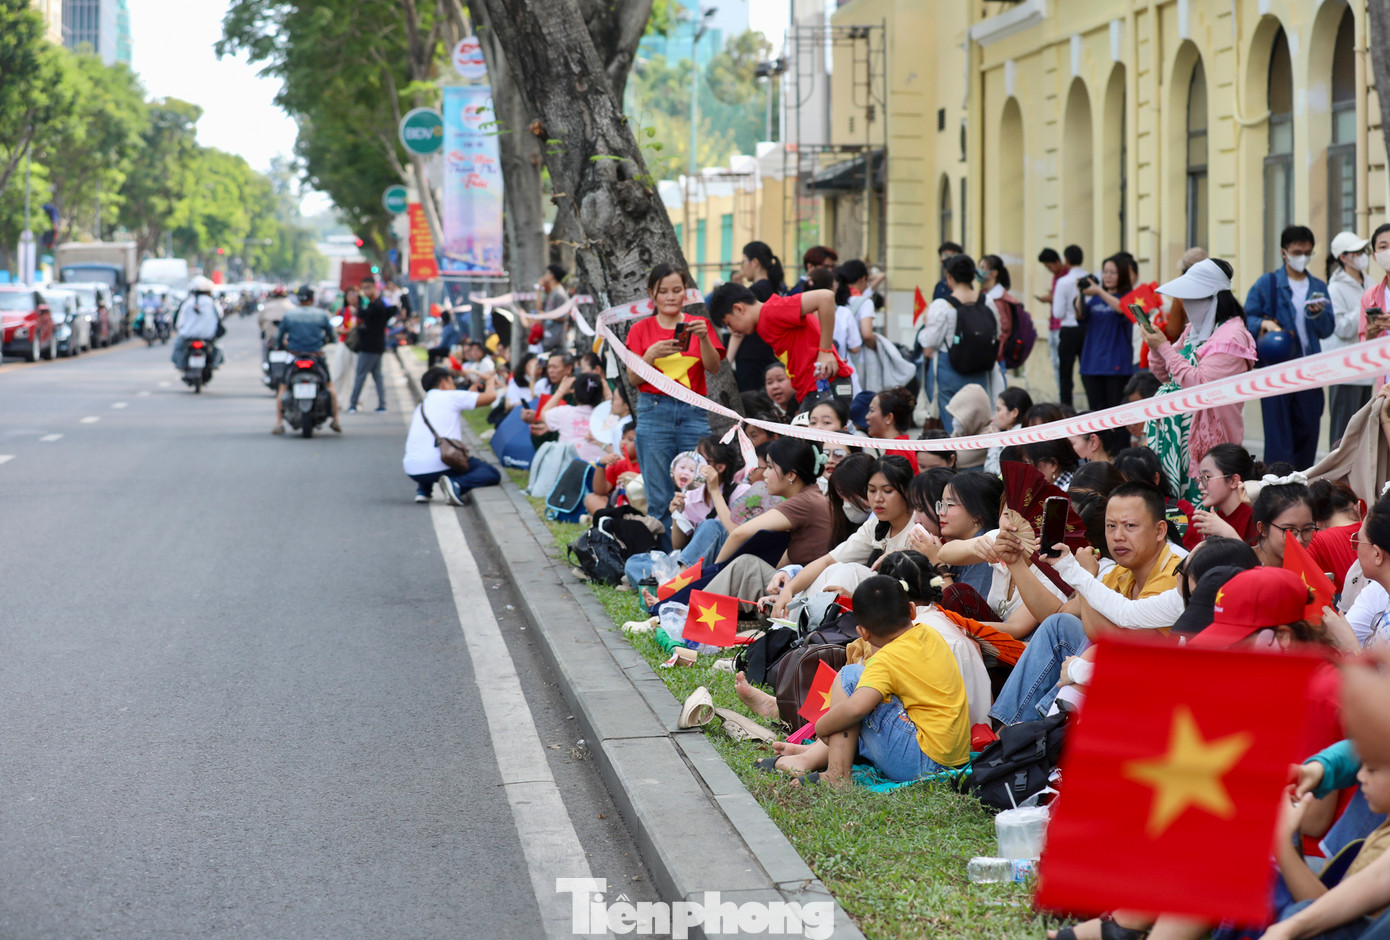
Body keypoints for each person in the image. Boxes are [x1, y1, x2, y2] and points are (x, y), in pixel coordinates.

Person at [989, 482, 1182, 725]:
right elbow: (1057, 613)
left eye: (1130, 526)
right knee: (1059, 625)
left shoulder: (1173, 574)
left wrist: (1084, 579)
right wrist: (1016, 563)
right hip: (1112, 671)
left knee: (1091, 642)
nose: (1118, 536)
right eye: (1111, 526)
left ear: (1159, 530)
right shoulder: (1121, 572)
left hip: (1155, 688)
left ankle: (1038, 736)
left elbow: (1119, 644)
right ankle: (1005, 729)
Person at [760, 574, 969, 786]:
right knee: (866, 693)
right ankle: (810, 757)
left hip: (921, 762)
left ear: (862, 632)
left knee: (850, 678)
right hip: (952, 759)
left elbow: (855, 710)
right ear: (913, 611)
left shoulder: (885, 660)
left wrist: (822, 727)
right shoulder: (929, 634)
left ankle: (836, 775)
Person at [1141, 258, 1257, 498]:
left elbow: (1200, 386)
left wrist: (1163, 347)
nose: (1186, 305)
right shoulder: (1194, 330)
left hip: (1208, 450)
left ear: (1211, 299)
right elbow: (1166, 375)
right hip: (1176, 446)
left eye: (1191, 299)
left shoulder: (1231, 337)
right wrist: (1155, 346)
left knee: (1201, 509)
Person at [624, 264, 724, 540]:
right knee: (658, 493)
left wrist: (704, 338)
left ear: (686, 292)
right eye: (663, 291)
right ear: (651, 295)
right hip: (653, 410)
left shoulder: (697, 325)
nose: (670, 296)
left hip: (693, 412)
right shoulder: (640, 329)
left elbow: (713, 367)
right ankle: (662, 560)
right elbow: (633, 378)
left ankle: (690, 559)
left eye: (677, 290)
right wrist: (651, 354)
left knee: (696, 486)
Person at [1245, 225, 1334, 469]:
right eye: (1297, 252)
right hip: (1277, 370)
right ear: (1284, 252)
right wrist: (1263, 323)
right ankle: (1279, 490)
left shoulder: (1318, 286)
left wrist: (1318, 314)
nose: (1302, 257)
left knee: (1309, 429)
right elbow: (1247, 317)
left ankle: (1304, 482)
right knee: (1278, 437)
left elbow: (1328, 329)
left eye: (1308, 252)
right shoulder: (1268, 283)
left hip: (1309, 369)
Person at [707, 280, 852, 404]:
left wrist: (826, 351)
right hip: (814, 387)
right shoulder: (765, 321)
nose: (732, 331)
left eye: (729, 324)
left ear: (738, 309)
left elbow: (825, 297)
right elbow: (812, 315)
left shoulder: (771, 312)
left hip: (825, 386)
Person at [915, 253, 1002, 432]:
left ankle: (956, 454)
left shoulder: (942, 305)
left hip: (949, 369)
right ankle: (977, 455)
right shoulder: (987, 301)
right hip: (980, 369)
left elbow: (930, 340)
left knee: (952, 421)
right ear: (973, 275)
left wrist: (925, 324)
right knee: (978, 416)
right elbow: (997, 332)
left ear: (949, 276)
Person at [403, 367, 503, 504]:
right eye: (452, 383)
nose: (454, 387)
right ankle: (457, 484)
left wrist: (469, 395)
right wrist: (490, 381)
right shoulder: (451, 396)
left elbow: (450, 416)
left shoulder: (422, 406)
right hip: (442, 465)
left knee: (428, 447)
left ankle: (423, 491)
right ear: (444, 383)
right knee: (491, 473)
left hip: (413, 470)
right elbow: (490, 397)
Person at [1323, 231, 1376, 449]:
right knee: (1342, 435)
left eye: (1362, 251)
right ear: (1343, 257)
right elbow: (1341, 327)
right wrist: (1364, 309)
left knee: (1363, 433)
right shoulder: (1335, 287)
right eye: (1355, 252)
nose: (1361, 255)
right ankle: (1334, 481)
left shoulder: (1370, 282)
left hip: (1367, 369)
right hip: (1344, 371)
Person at [271, 285, 341, 435]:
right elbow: (332, 336)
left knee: (282, 388)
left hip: (294, 355)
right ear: (312, 298)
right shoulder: (321, 315)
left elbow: (280, 337)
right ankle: (336, 419)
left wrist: (279, 345)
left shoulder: (290, 315)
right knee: (329, 386)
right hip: (316, 356)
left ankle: (278, 423)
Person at [1076, 253, 1136, 411]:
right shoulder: (1095, 299)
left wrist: (1099, 291)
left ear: (1121, 275)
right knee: (1096, 412)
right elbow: (1080, 315)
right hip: (1091, 364)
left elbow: (1122, 308)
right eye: (1105, 272)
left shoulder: (1128, 297)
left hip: (1116, 365)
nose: (1107, 276)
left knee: (1116, 413)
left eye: (1112, 272)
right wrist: (1081, 292)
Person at [728, 241, 785, 392]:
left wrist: (727, 361)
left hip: (750, 359)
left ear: (755, 262)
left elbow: (738, 331)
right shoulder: (777, 289)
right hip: (772, 357)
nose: (742, 268)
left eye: (743, 262)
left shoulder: (752, 292)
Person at [1185, 443, 1258, 548]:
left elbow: (1258, 562)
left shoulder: (1254, 516)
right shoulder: (1218, 515)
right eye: (1199, 479)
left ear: (1233, 481)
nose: (1200, 486)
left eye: (1207, 477)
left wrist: (1226, 531)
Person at [1048, 246, 1089, 408]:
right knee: (1087, 371)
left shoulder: (1063, 282)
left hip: (1068, 329)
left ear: (1066, 260)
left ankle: (1066, 409)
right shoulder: (1089, 278)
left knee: (1065, 373)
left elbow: (1057, 312)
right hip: (1086, 330)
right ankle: (1093, 406)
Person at [539, 372, 606, 462]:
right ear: (601, 394)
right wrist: (608, 394)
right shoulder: (607, 416)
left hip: (570, 467)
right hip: (600, 468)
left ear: (574, 393)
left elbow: (544, 413)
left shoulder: (564, 412)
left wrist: (560, 391)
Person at [348, 275, 390, 414]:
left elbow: (364, 315)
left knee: (360, 376)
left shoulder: (377, 305)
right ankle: (382, 405)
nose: (365, 291)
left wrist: (359, 305)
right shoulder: (375, 303)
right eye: (363, 288)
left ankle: (353, 404)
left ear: (374, 287)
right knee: (377, 376)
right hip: (376, 346)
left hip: (370, 347)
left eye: (368, 288)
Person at [170, 276, 222, 370]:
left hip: (188, 336)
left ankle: (180, 366)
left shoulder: (187, 303)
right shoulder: (212, 303)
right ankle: (215, 364)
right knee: (216, 349)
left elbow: (179, 322)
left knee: (178, 348)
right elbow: (219, 317)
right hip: (208, 336)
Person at [865, 387, 918, 472]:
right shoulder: (897, 449)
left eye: (872, 411)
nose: (867, 417)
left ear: (889, 418)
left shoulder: (899, 453)